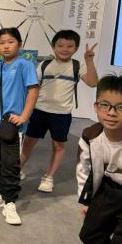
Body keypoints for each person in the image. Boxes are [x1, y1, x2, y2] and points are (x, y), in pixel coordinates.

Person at [21, 30, 98, 193]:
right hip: (39, 111)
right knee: (27, 143)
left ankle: (49, 177)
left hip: (62, 114)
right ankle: (16, 170)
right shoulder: (44, 64)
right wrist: (27, 110)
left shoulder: (77, 65)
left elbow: (93, 82)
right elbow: (33, 88)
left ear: (76, 48)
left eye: (70, 46)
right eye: (60, 45)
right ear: (53, 47)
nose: (65, 49)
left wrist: (89, 60)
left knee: (58, 145)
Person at [77, 75, 122, 244]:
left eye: (121, 107)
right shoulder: (90, 135)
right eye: (105, 105)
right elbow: (84, 169)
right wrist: (85, 200)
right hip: (106, 191)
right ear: (96, 106)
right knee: (90, 235)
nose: (111, 112)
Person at [0, 27, 38, 226]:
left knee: (10, 164)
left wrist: (24, 116)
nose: (6, 46)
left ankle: (10, 202)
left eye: (10, 42)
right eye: (2, 43)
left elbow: (32, 91)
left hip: (11, 124)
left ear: (19, 44)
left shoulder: (25, 65)